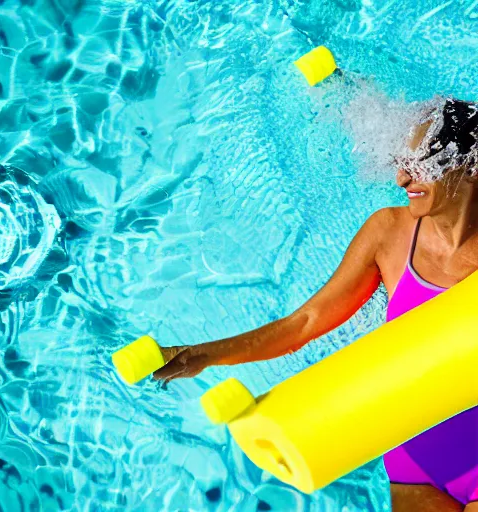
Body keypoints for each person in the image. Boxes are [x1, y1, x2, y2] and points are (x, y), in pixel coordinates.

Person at [154, 98, 478, 512]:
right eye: (400, 162)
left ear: (468, 166)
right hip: (417, 454)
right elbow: (304, 322)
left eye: (421, 165)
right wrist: (204, 354)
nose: (400, 178)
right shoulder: (390, 233)